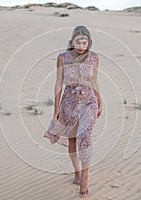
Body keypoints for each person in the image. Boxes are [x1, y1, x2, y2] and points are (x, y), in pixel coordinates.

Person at [44, 25, 102, 198]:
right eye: (78, 41)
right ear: (72, 41)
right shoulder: (63, 57)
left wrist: (100, 101)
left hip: (89, 102)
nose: (81, 45)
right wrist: (56, 108)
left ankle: (85, 177)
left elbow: (94, 81)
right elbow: (58, 83)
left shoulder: (94, 58)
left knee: (85, 137)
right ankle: (77, 171)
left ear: (89, 42)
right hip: (68, 103)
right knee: (71, 141)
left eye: (85, 42)